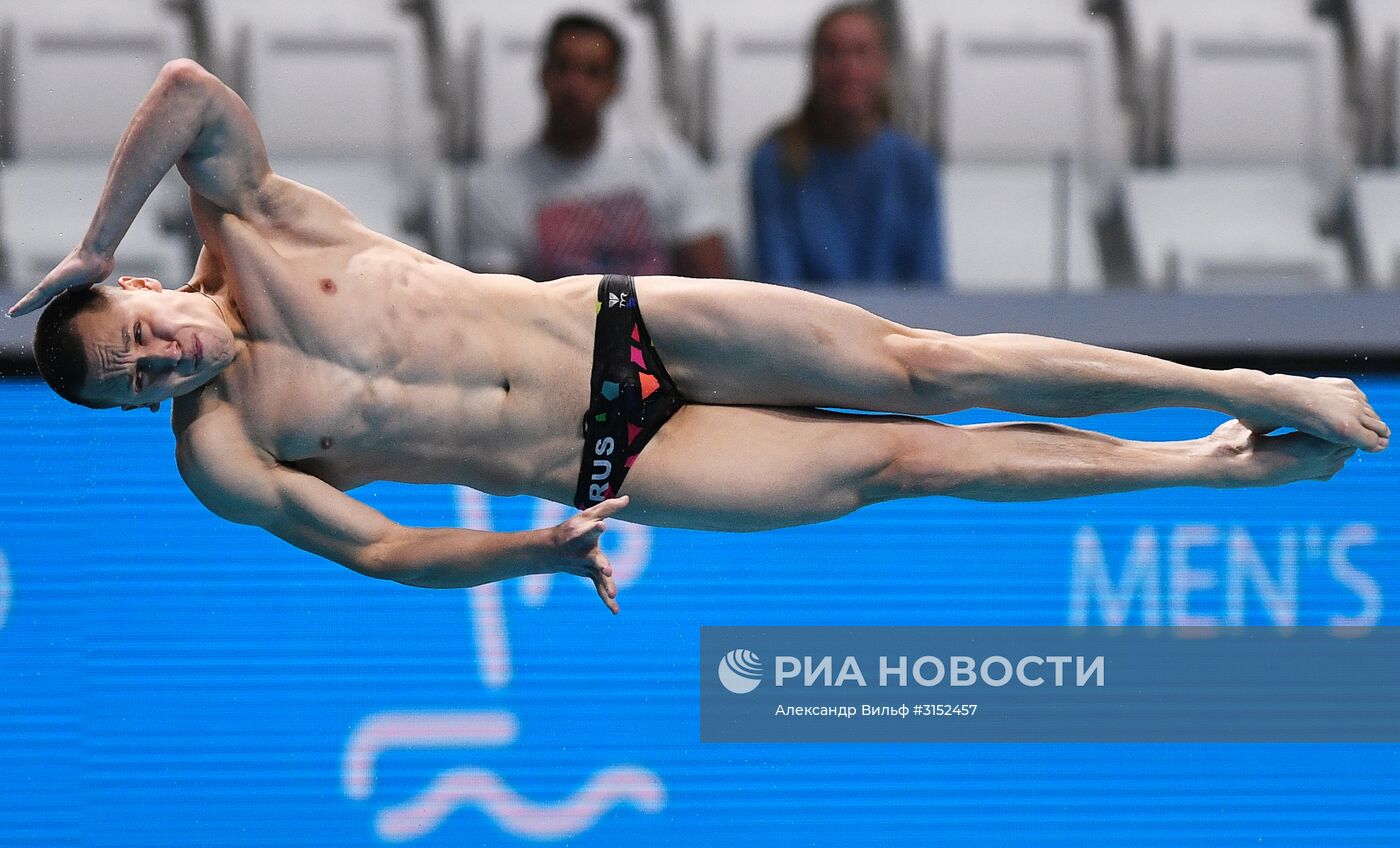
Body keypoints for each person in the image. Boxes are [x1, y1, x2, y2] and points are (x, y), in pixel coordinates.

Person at [10, 60, 1389, 617]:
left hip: (627, 323)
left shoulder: (256, 228)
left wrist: (82, 237)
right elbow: (378, 546)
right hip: (605, 459)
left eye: (140, 330)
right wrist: (522, 552)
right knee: (908, 463)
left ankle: (1258, 382)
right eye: (139, 386)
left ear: (147, 284)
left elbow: (187, 90)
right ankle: (1207, 466)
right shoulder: (225, 451)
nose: (163, 363)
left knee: (934, 367)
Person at [463, 13, 730, 280]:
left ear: (613, 86)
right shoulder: (494, 188)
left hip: (656, 321)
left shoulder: (666, 160)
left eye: (592, 72)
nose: (574, 85)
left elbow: (713, 284)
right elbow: (497, 309)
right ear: (543, 74)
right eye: (563, 68)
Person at [751, 3, 944, 286]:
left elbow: (930, 286)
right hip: (804, 326)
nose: (848, 67)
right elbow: (778, 286)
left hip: (896, 327)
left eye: (861, 52)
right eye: (833, 52)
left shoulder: (915, 163)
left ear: (883, 65)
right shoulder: (775, 162)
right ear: (813, 66)